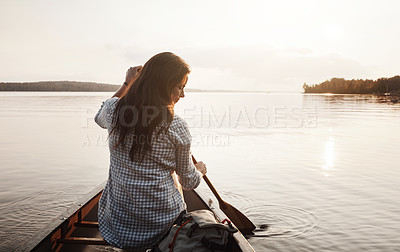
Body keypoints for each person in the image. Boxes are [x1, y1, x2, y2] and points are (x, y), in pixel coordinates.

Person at [94, 52, 207, 251]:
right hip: (162, 227)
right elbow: (189, 182)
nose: (182, 95)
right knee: (177, 181)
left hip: (119, 229)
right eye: (180, 87)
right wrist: (199, 170)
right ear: (163, 86)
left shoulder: (114, 110)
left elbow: (98, 117)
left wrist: (127, 84)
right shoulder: (177, 126)